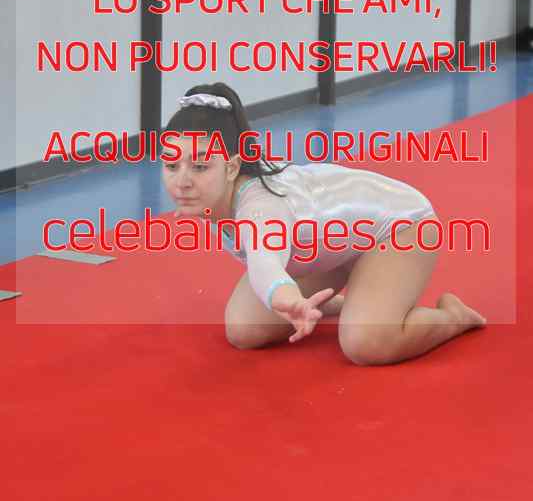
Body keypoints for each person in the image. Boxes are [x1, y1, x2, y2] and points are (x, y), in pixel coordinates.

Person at [162, 83, 486, 366]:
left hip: (399, 227)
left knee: (365, 343)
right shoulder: (219, 192)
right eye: (172, 165)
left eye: (200, 166)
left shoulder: (260, 209)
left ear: (232, 168)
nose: (182, 181)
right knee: (244, 329)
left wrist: (288, 299)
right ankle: (346, 301)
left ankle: (452, 317)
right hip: (334, 244)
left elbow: (265, 264)